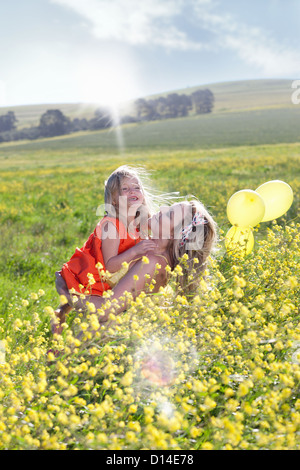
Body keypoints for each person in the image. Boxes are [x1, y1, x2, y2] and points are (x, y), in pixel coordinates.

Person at [55, 198, 217, 327]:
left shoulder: (153, 262)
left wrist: (67, 294)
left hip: (105, 343)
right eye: (168, 207)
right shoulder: (147, 249)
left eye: (169, 214)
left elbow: (106, 311)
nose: (161, 209)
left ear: (176, 235)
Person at [52, 165, 162, 335]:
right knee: (93, 306)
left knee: (103, 309)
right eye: (125, 189)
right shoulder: (112, 225)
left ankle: (60, 315)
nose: (133, 191)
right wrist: (136, 251)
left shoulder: (140, 221)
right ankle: (64, 330)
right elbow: (110, 265)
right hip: (95, 273)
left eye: (136, 187)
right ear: (115, 199)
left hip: (115, 275)